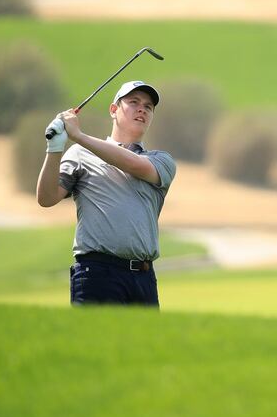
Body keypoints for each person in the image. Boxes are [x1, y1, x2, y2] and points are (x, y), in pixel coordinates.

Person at [36, 80, 176, 307]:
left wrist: (79, 135)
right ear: (114, 110)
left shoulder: (161, 161)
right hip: (97, 274)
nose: (142, 109)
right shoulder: (80, 154)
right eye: (133, 102)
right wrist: (54, 149)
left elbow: (133, 165)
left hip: (144, 278)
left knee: (143, 344)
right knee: (96, 343)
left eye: (148, 107)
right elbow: (46, 198)